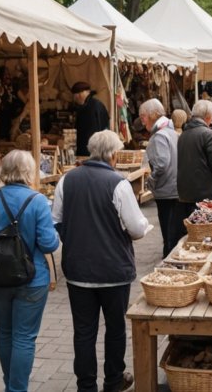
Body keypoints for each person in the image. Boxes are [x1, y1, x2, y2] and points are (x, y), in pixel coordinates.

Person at [53, 130, 148, 392]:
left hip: (78, 269)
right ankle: (114, 380)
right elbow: (136, 229)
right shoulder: (118, 183)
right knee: (115, 328)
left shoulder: (66, 180)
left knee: (83, 331)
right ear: (113, 155)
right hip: (113, 270)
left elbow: (56, 221)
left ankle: (86, 385)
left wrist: (74, 239)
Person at [0, 150, 59, 392]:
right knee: (24, 337)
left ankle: (11, 386)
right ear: (29, 171)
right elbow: (49, 244)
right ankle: (16, 389)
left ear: (4, 170)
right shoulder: (37, 200)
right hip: (33, 278)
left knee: (6, 332)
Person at [169, 100, 212, 246]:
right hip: (203, 190)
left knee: (191, 230)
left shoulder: (184, 134)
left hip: (185, 190)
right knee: (204, 230)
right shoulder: (207, 134)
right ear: (207, 116)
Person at [139, 99, 179, 258]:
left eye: (143, 116)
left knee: (168, 234)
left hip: (166, 190)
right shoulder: (170, 132)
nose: (141, 120)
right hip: (174, 188)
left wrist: (151, 181)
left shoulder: (160, 136)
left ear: (153, 115)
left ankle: (168, 265)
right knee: (171, 232)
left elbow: (162, 164)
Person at [72, 82, 109, 157]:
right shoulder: (96, 104)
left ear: (80, 94)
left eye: (76, 96)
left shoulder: (91, 107)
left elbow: (90, 130)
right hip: (96, 147)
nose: (75, 99)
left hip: (89, 149)